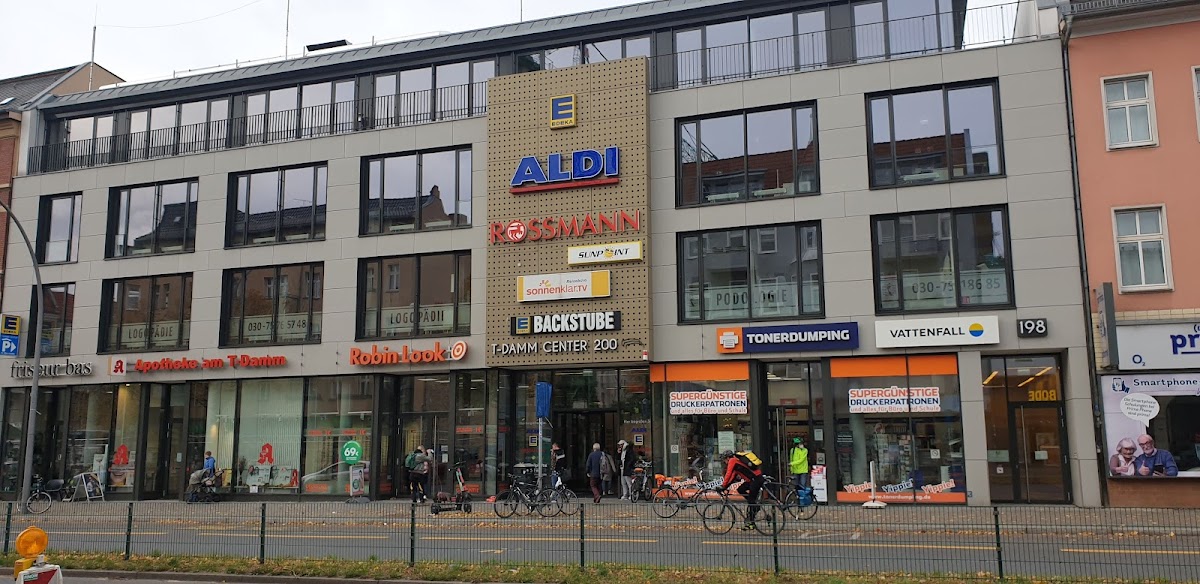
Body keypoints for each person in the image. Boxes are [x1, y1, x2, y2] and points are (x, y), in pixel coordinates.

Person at [718, 450, 765, 531]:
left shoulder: (732, 461)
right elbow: (732, 477)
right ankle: (753, 503)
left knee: (751, 501)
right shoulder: (736, 462)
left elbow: (728, 474)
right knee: (740, 489)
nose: (725, 462)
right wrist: (725, 487)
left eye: (724, 460)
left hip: (756, 479)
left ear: (728, 458)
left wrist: (723, 486)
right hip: (752, 480)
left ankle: (751, 523)